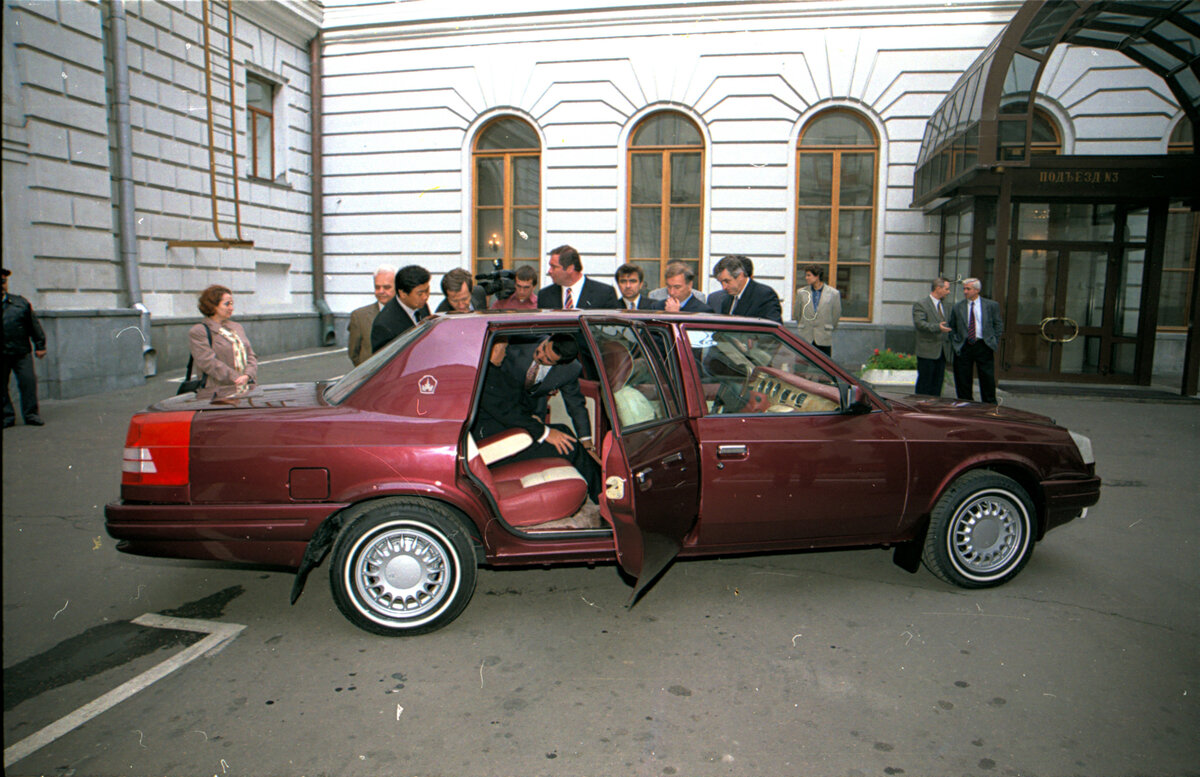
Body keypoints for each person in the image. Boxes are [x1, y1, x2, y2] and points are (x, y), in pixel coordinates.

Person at [475, 336, 601, 502]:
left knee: (564, 431)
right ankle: (602, 495)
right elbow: (505, 410)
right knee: (570, 446)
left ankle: (600, 486)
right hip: (500, 434)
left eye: (547, 359)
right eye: (542, 349)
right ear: (496, 349)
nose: (540, 356)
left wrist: (587, 442)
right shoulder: (494, 369)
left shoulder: (570, 370)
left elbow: (576, 406)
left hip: (517, 420)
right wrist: (543, 431)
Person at [188, 285, 258, 388]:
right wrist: (237, 378)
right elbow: (208, 362)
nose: (231, 308)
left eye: (232, 304)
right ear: (213, 306)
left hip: (247, 385)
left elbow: (251, 355)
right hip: (218, 390)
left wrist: (248, 375)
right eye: (227, 304)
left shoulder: (237, 327)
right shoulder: (199, 331)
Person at [2, 268, 47, 427]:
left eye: (3, 281)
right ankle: (7, 416)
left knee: (28, 382)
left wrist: (40, 345)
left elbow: (33, 325)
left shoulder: (20, 303)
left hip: (21, 352)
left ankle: (31, 414)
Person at [948, 277, 1004, 404]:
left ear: (977, 290)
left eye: (968, 289)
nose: (965, 292)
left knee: (987, 377)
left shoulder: (991, 305)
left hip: (983, 344)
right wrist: (956, 342)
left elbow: (998, 324)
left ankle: (989, 405)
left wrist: (993, 341)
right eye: (964, 289)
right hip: (964, 345)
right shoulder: (958, 307)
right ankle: (965, 404)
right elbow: (952, 326)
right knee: (963, 378)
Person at [537, 245, 619, 310]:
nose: (549, 271)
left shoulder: (604, 294)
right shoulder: (545, 295)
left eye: (554, 267)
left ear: (570, 268)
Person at [370, 265, 432, 352]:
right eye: (420, 293)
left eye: (427, 290)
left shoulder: (422, 305)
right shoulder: (384, 325)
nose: (425, 297)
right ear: (402, 293)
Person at [912, 276, 954, 396]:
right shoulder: (921, 304)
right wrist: (938, 327)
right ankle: (921, 408)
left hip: (942, 351)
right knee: (925, 384)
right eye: (946, 289)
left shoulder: (946, 305)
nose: (948, 292)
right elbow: (920, 324)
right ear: (938, 288)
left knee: (937, 384)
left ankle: (934, 408)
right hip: (927, 351)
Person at [347, 267, 395, 367]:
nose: (381, 291)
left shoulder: (409, 313)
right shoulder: (360, 316)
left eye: (386, 287)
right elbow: (354, 353)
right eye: (377, 287)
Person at [712, 255, 782, 321]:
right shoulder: (727, 299)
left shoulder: (764, 295)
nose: (724, 287)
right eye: (721, 282)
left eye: (727, 281)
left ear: (741, 276)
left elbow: (772, 328)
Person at [795, 264, 842, 356]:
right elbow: (797, 313)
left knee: (824, 366)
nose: (806, 278)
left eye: (809, 275)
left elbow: (836, 315)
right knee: (802, 365)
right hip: (806, 335)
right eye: (806, 275)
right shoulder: (801, 293)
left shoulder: (833, 293)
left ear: (817, 276)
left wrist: (828, 326)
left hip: (823, 336)